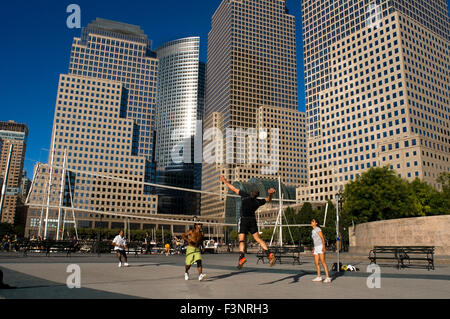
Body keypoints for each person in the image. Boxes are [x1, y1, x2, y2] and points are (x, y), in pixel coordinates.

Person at [220, 175, 276, 269]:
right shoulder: (258, 202)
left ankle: (242, 257)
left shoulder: (245, 196)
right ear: (257, 196)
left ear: (250, 193)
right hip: (252, 220)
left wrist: (225, 181)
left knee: (241, 240)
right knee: (258, 239)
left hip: (244, 219)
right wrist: (270, 194)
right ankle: (269, 253)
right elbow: (268, 199)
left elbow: (233, 188)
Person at [311, 218, 332, 283]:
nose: (311, 222)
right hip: (316, 247)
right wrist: (314, 248)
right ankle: (319, 277)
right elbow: (315, 240)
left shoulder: (318, 229)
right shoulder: (313, 230)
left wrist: (324, 247)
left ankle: (328, 277)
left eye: (313, 221)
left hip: (320, 246)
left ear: (316, 223)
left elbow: (322, 238)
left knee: (323, 262)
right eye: (311, 221)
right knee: (316, 263)